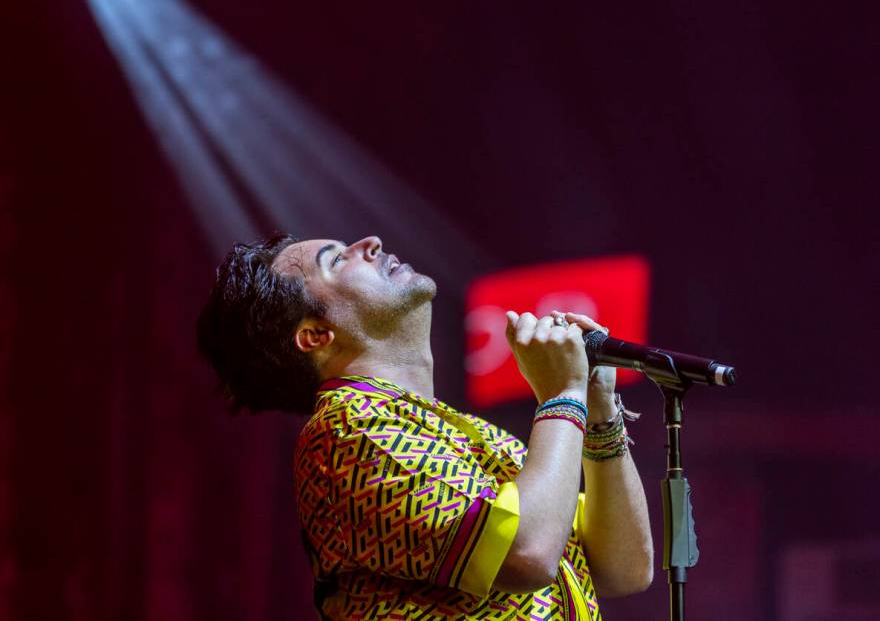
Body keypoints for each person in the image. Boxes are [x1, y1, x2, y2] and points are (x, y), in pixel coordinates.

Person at [197, 233, 653, 620]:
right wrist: (561, 395)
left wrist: (598, 412)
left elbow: (625, 568)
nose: (370, 243)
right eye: (337, 259)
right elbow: (527, 553)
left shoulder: (471, 435)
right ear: (316, 335)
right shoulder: (347, 432)